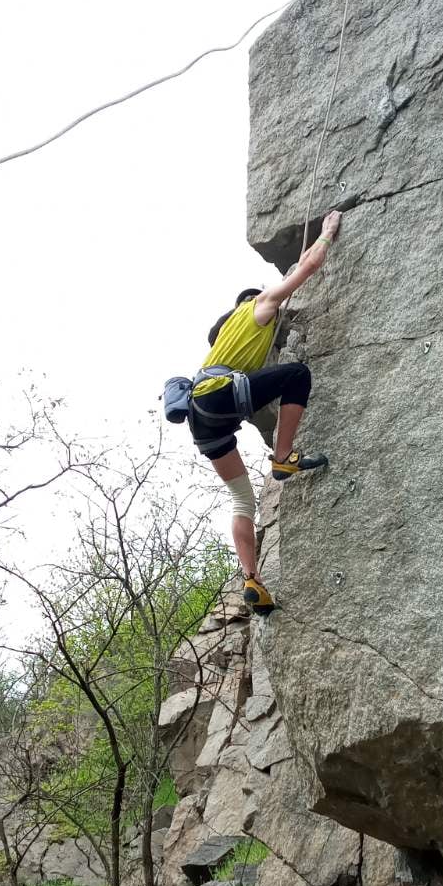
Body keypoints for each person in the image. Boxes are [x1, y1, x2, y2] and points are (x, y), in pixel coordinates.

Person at [189, 209, 342, 612]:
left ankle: (252, 580)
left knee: (242, 500)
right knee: (297, 375)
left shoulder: (224, 337)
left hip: (200, 414)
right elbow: (308, 267)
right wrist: (326, 234)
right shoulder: (258, 306)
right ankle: (283, 457)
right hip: (221, 395)